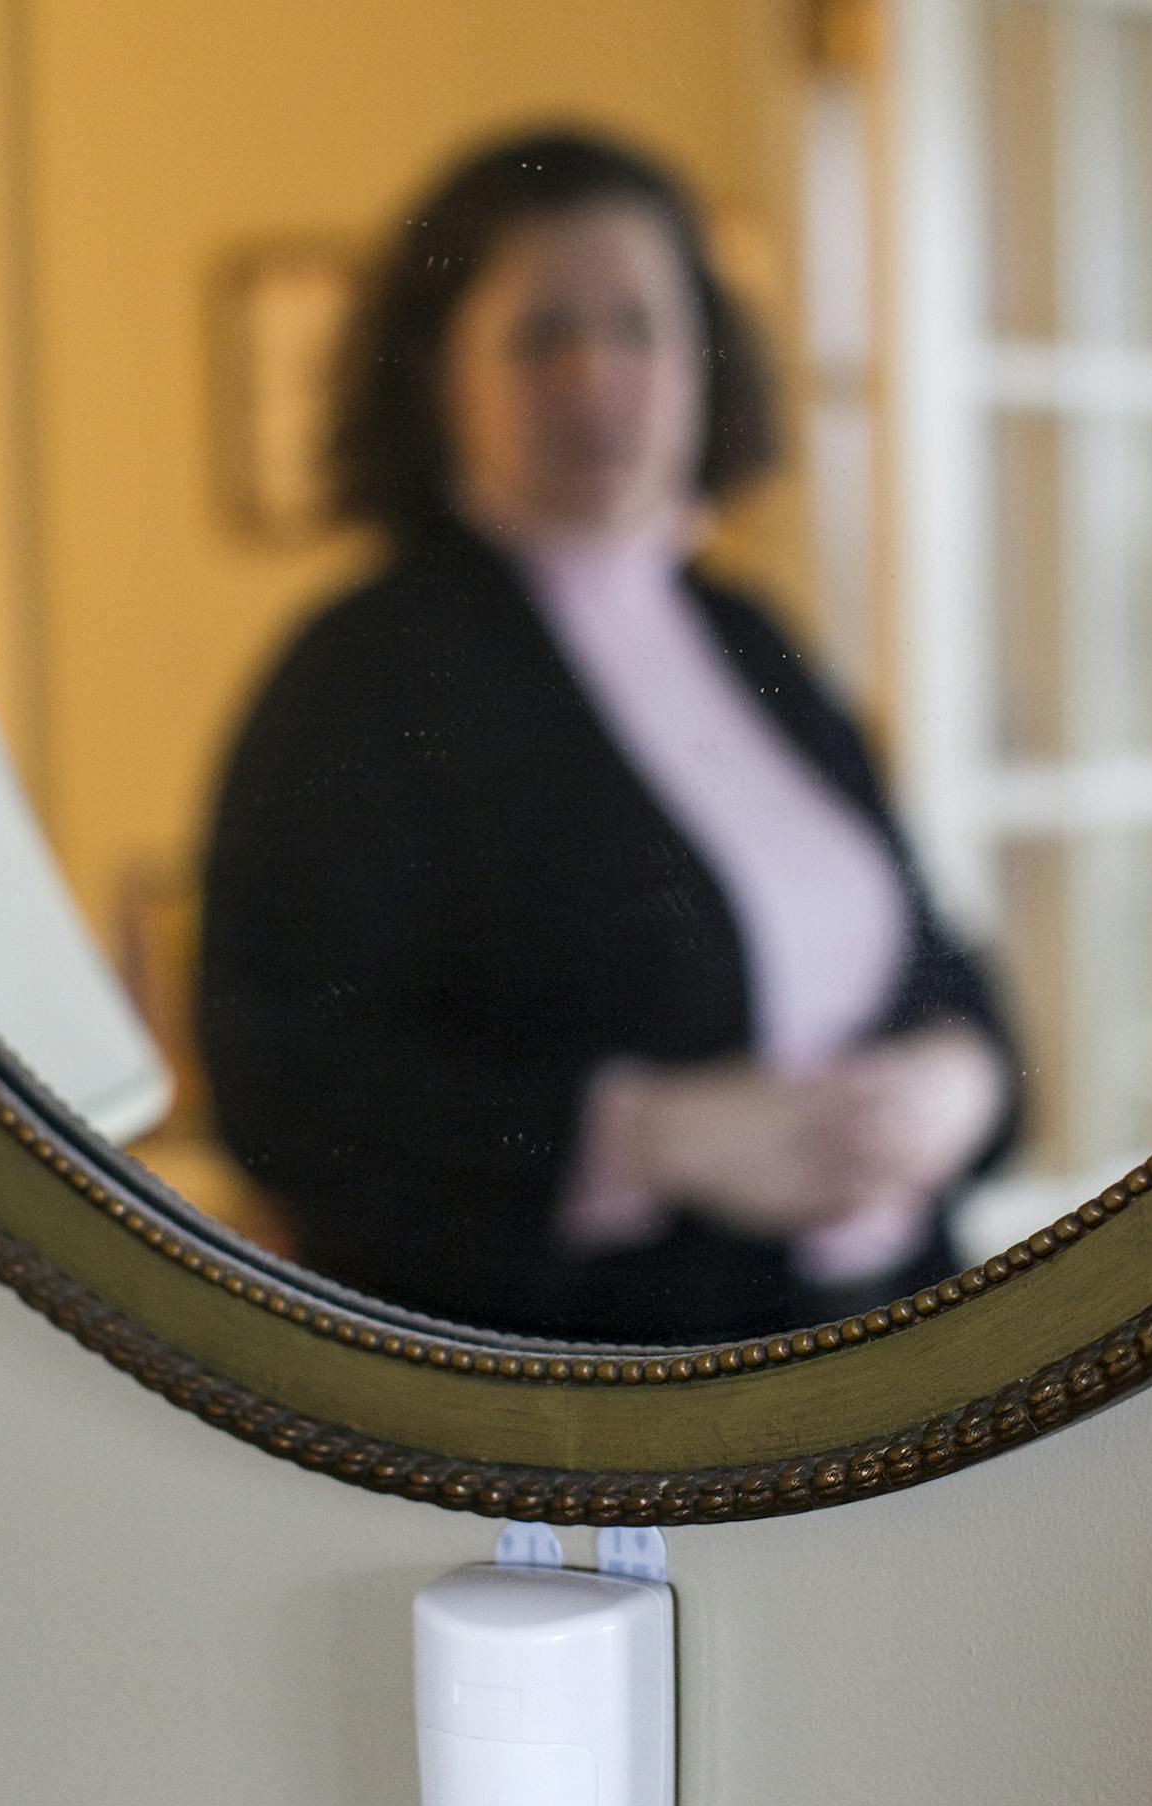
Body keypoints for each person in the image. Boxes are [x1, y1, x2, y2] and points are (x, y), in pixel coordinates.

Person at [196, 128, 1019, 1347]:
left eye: (640, 326)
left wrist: (967, 1082)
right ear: (436, 371)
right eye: (541, 335)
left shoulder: (750, 636)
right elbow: (285, 1087)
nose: (598, 375)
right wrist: (635, 1136)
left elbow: (928, 956)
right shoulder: (358, 677)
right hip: (591, 1408)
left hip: (888, 1341)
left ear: (702, 360)